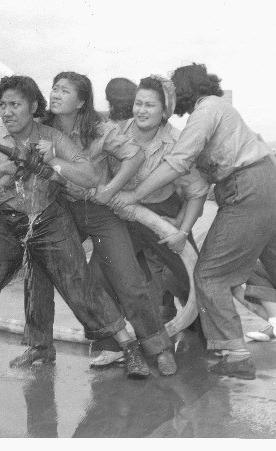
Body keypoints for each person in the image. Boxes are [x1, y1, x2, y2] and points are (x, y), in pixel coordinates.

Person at [110, 63, 276, 379]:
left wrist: (135, 195)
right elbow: (202, 179)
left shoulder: (205, 112)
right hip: (275, 189)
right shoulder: (222, 110)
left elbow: (178, 162)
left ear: (183, 92)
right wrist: (181, 219)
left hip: (248, 192)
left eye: (171, 94)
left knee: (210, 274)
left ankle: (236, 355)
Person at [0, 75, 128, 381]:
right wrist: (4, 167)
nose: (7, 112)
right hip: (6, 223)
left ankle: (128, 347)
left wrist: (53, 161)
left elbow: (89, 175)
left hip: (48, 219)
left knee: (78, 283)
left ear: (34, 107)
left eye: (15, 105)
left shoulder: (53, 137)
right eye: (3, 105)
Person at [14, 71, 177, 377]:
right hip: (60, 208)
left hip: (98, 211)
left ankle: (159, 348)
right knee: (36, 267)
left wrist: (110, 190)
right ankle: (40, 345)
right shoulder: (43, 128)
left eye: (64, 90)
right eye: (54, 89)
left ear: (81, 101)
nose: (55, 94)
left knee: (127, 278)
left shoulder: (100, 129)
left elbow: (135, 156)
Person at [90, 75, 209, 367]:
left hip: (164, 213)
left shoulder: (179, 141)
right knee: (97, 274)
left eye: (150, 105)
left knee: (194, 280)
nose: (142, 110)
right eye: (138, 103)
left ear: (165, 110)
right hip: (121, 215)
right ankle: (113, 345)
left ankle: (209, 334)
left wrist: (182, 231)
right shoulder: (115, 132)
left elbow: (197, 191)